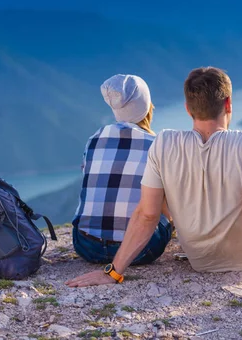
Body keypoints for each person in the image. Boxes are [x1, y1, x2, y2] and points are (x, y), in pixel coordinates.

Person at [67, 67, 242, 308]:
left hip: (201, 260)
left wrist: (113, 272)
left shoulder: (163, 143)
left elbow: (147, 216)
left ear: (187, 107)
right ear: (228, 103)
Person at [71, 74, 172, 267]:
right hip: (142, 250)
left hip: (85, 244)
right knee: (162, 192)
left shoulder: (95, 138)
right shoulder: (157, 145)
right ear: (147, 106)